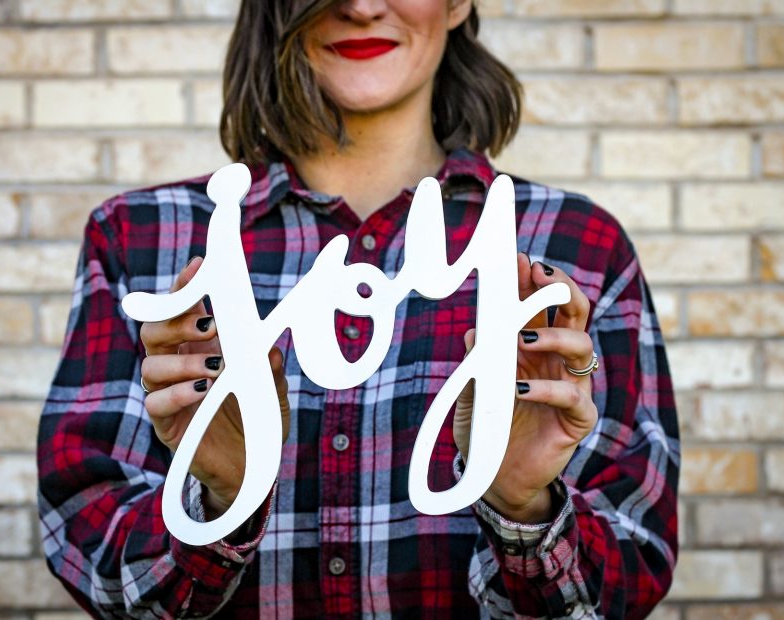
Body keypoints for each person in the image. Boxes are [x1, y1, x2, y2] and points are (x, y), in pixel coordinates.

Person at [37, 0, 679, 617]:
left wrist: (524, 508)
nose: (363, 6)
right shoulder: (144, 239)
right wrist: (223, 499)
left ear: (458, 2)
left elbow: (624, 578)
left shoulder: (576, 248)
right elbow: (91, 550)